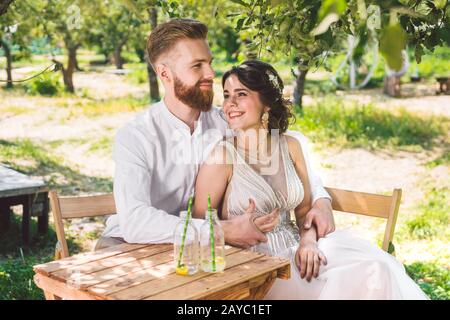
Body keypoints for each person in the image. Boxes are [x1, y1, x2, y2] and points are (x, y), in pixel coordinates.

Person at [192, 59, 428, 299]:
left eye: (241, 94)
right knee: (346, 283)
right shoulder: (221, 156)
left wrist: (309, 242)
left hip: (297, 251)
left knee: (377, 269)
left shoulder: (290, 146)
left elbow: (304, 210)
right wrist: (230, 229)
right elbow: (198, 225)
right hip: (255, 267)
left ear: (266, 104)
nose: (230, 104)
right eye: (226, 94)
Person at [98, 19, 334, 252]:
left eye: (209, 63)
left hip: (200, 249)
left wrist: (321, 200)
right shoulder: (136, 136)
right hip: (133, 245)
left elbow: (281, 146)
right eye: (197, 65)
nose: (211, 73)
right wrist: (220, 230)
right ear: (165, 74)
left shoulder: (225, 121)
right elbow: (135, 222)